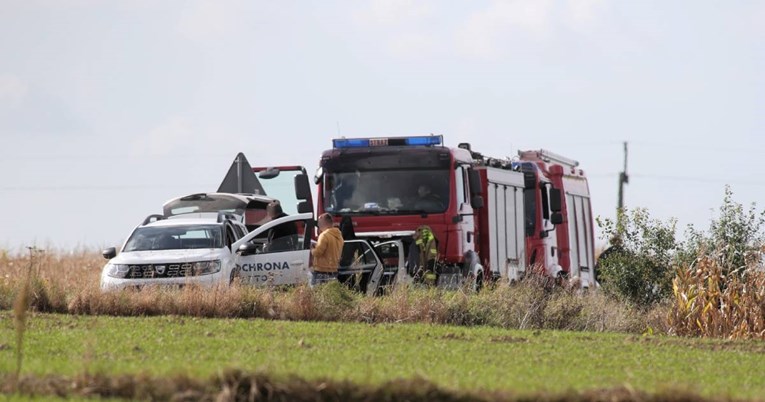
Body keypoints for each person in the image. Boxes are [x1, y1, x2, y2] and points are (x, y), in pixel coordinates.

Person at [310, 213, 344, 286]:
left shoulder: (324, 235)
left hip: (321, 271)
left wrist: (312, 249)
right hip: (334, 271)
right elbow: (330, 249)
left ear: (324, 222)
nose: (318, 225)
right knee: (329, 295)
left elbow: (317, 253)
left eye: (319, 223)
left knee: (316, 294)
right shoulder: (339, 236)